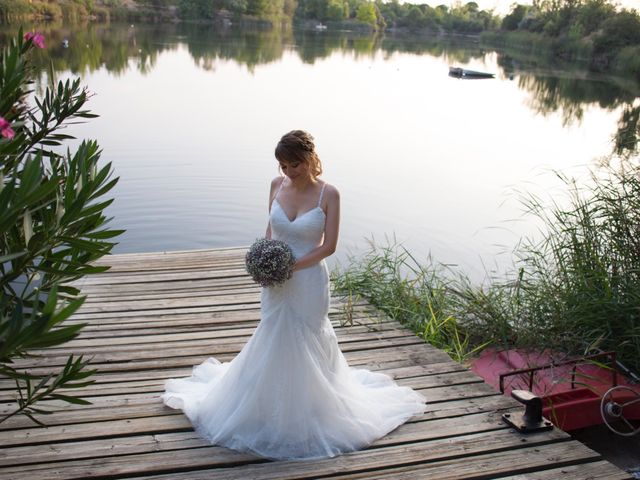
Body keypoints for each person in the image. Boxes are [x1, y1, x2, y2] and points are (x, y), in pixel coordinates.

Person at [162, 130, 426, 460]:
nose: (288, 172)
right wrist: (264, 261)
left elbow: (328, 246)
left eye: (294, 165)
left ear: (310, 159)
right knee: (272, 333)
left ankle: (314, 410)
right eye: (283, 166)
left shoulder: (328, 194)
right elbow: (271, 231)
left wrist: (292, 266)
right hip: (276, 279)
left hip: (309, 279)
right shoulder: (276, 185)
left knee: (308, 338)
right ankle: (265, 406)